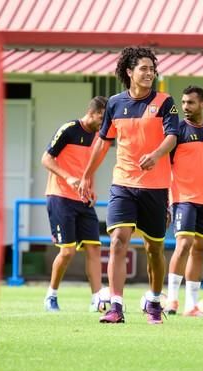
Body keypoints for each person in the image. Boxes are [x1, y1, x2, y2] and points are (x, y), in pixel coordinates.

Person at [79, 46, 179, 324]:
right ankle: (116, 306)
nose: (149, 73)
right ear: (129, 72)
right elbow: (102, 140)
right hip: (122, 183)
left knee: (154, 248)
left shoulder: (165, 101)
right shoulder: (114, 103)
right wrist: (88, 173)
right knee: (118, 239)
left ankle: (155, 302)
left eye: (152, 68)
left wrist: (157, 155)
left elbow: (172, 137)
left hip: (156, 187)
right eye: (144, 68)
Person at [41, 96, 108, 312]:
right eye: (104, 118)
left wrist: (91, 188)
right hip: (59, 196)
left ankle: (96, 299)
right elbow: (46, 159)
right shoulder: (68, 129)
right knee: (68, 252)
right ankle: (51, 296)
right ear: (95, 113)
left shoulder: (98, 137)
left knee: (94, 248)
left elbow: (90, 166)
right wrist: (68, 177)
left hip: (83, 200)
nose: (105, 123)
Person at [165, 85, 203, 316]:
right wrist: (165, 203)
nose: (185, 107)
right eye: (183, 103)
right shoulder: (176, 132)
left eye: (190, 102)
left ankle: (191, 305)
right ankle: (172, 300)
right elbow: (164, 168)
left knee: (200, 249)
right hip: (182, 198)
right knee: (183, 244)